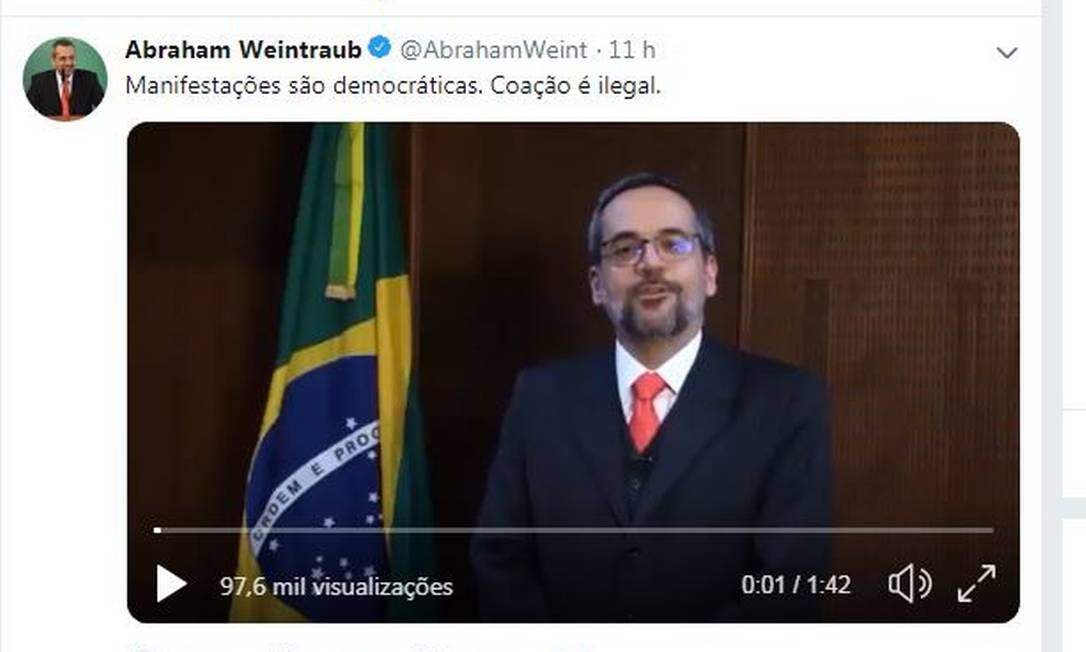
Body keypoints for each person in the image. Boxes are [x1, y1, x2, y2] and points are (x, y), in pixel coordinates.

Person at [471, 173, 832, 622]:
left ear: (710, 272)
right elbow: (502, 560)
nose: (651, 263)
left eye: (673, 244)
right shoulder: (540, 398)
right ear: (596, 284)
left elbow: (789, 584)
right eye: (626, 249)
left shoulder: (786, 403)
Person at [26, 39, 104, 119]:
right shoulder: (39, 81)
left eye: (71, 58)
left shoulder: (90, 79)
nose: (69, 63)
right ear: (53, 61)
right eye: (63, 58)